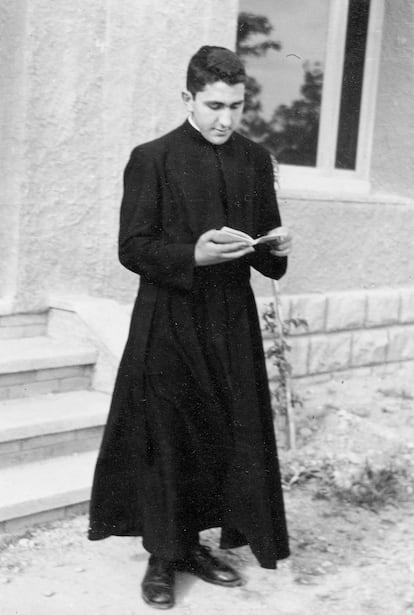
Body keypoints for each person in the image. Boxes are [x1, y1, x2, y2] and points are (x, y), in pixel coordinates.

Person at [89, 45, 292, 610]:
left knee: (219, 434)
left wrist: (277, 247)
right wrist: (194, 256)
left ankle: (195, 546)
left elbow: (267, 258)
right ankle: (162, 556)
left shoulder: (254, 159)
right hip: (169, 316)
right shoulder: (151, 157)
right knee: (167, 436)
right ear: (188, 99)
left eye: (236, 105)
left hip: (230, 320)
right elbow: (133, 248)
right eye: (213, 105)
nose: (225, 118)